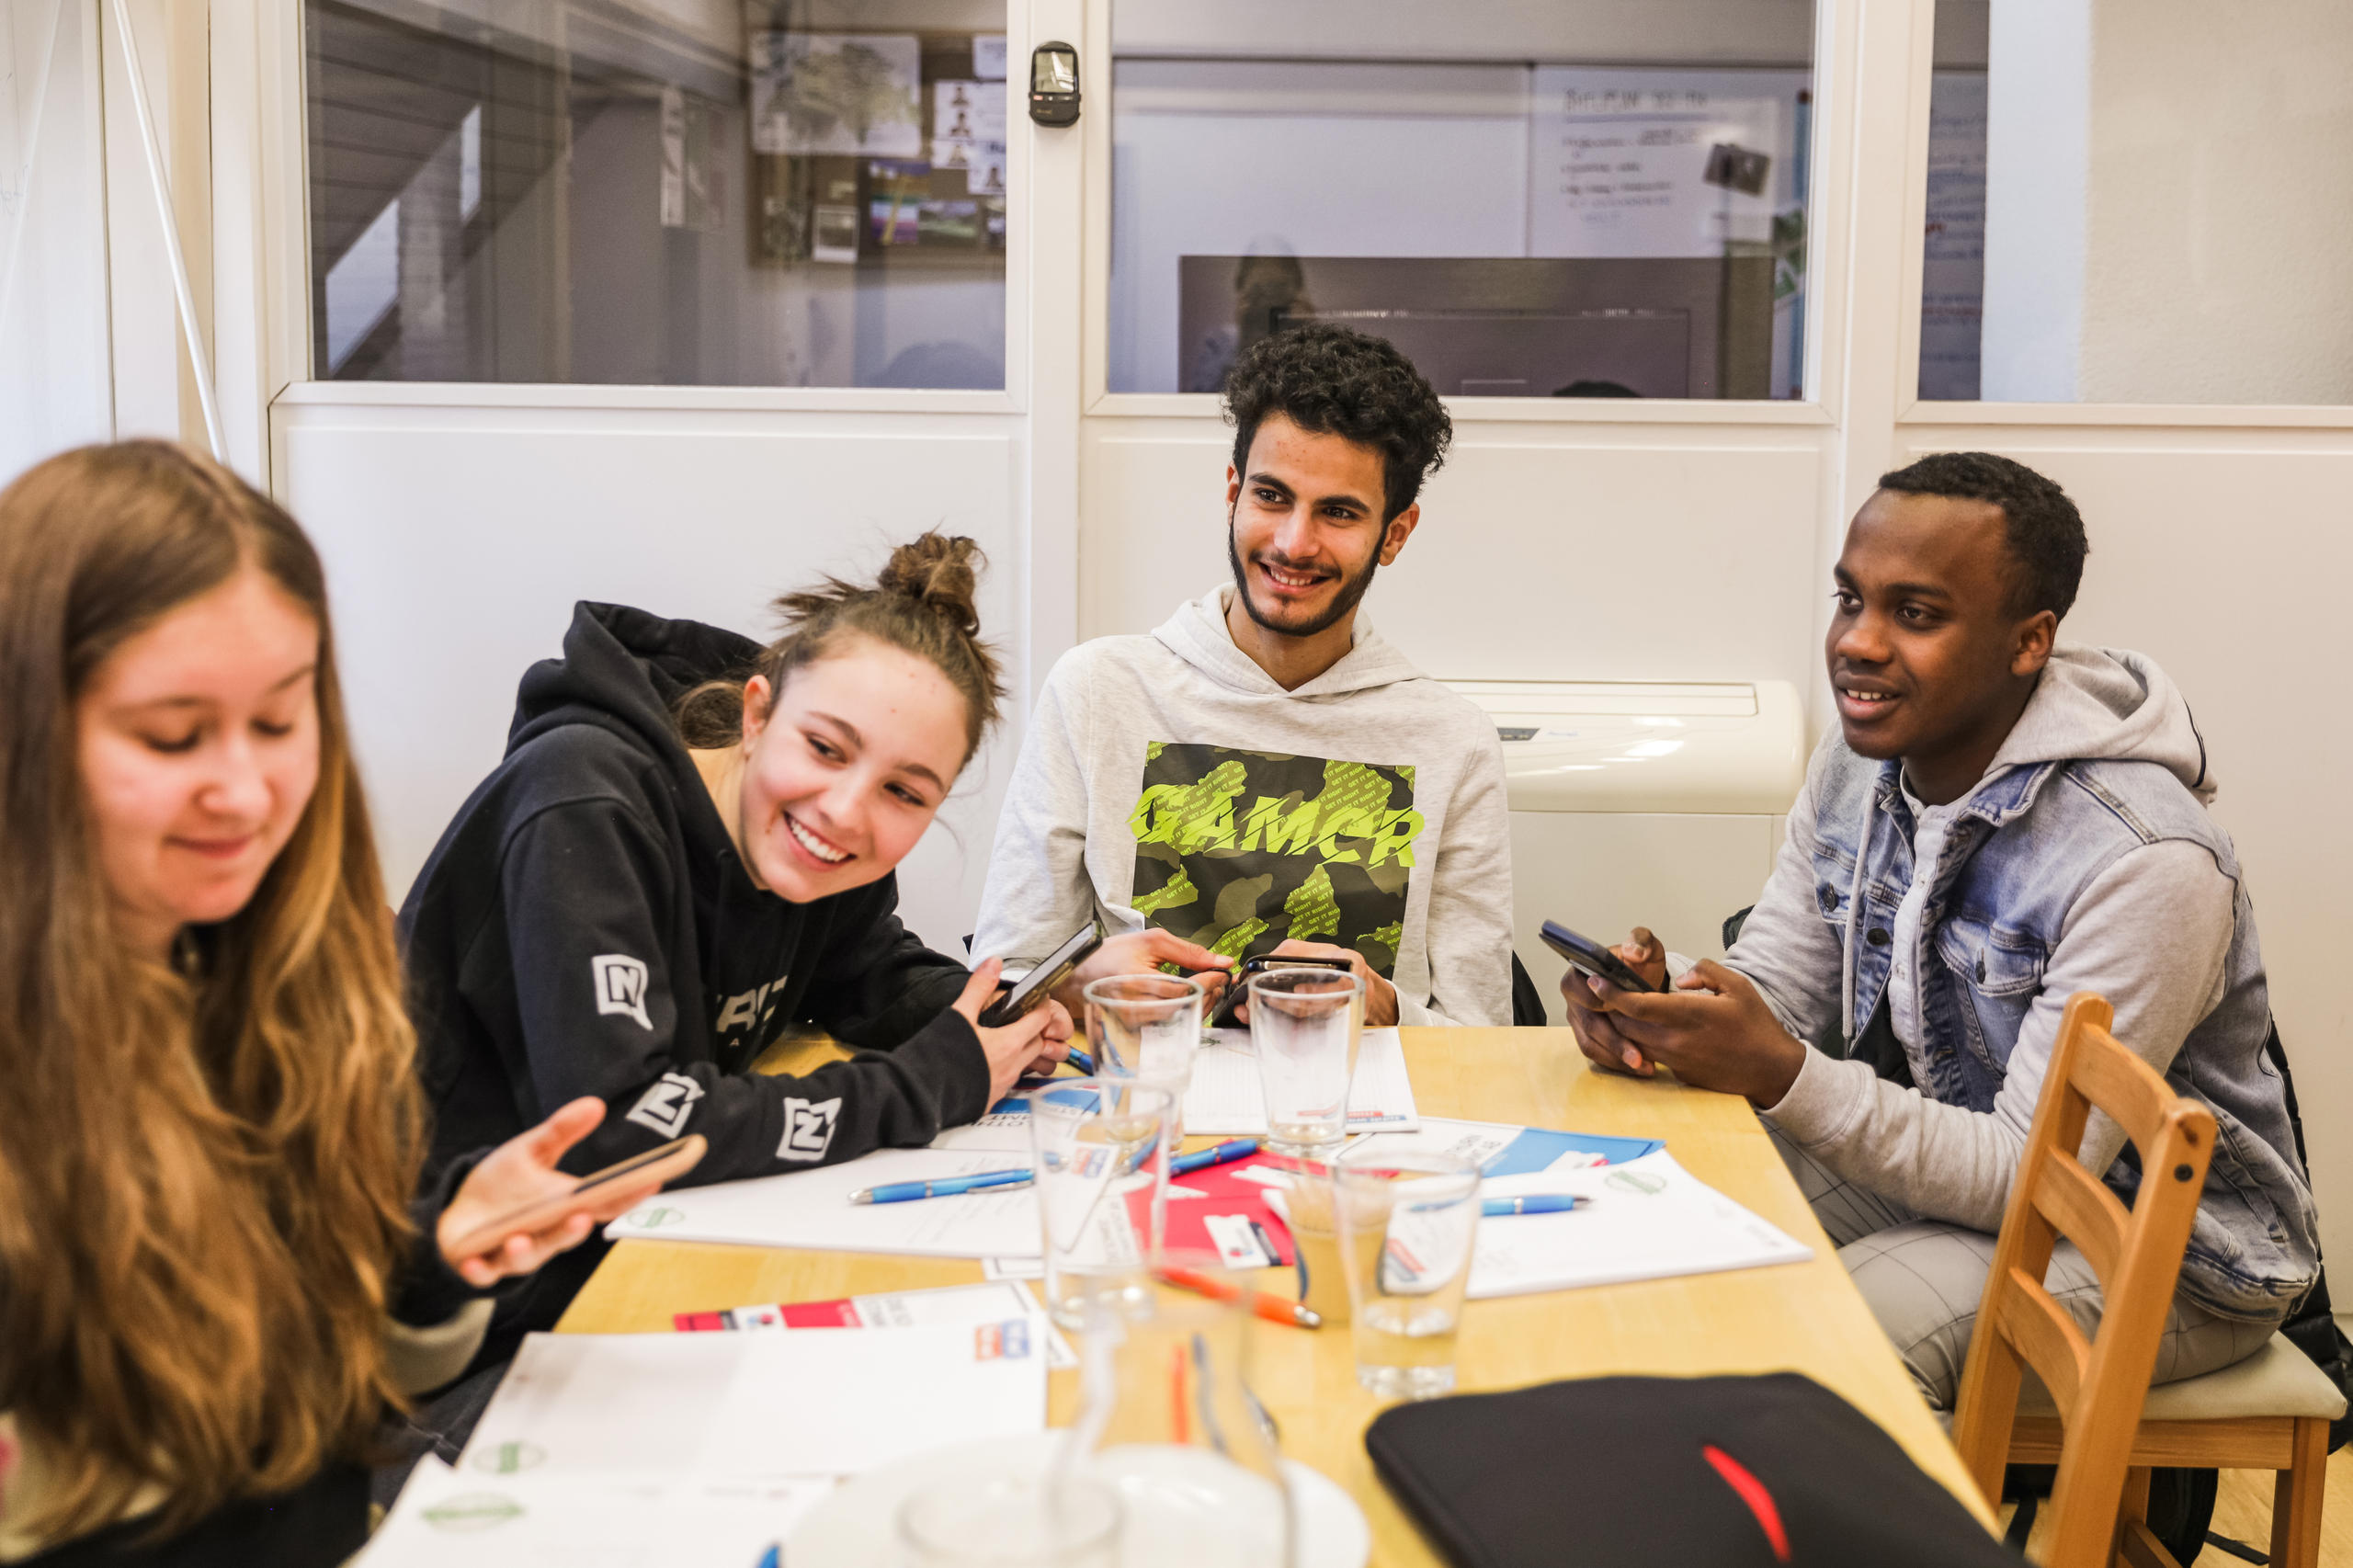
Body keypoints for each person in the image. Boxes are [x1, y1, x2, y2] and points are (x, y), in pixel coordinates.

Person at [0, 442, 667, 1566]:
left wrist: (433, 1258)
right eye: (171, 736)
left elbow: (306, 1398)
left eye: (278, 723)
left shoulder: (273, 986)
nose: (244, 790)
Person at [1560, 451, 2319, 1408]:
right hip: (1970, 1165)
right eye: (1850, 600)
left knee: (1837, 1339)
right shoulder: (1857, 762)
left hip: (2178, 1247)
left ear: (2029, 642)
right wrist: (1666, 1003)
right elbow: (1780, 992)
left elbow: (2025, 1172)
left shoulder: (2147, 857)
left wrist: (1777, 1070)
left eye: (1914, 614)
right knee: (1637, 1205)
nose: (1858, 642)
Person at [400, 534, 1068, 1356]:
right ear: (757, 714)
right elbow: (620, 1127)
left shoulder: (811, 850)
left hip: (635, 1254)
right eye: (825, 748)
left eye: (903, 791)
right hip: (449, 1325)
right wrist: (931, 1083)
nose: (845, 811)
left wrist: (1010, 1007)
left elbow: (867, 970)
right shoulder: (585, 802)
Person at [975, 323, 1515, 1028]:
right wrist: (1078, 989)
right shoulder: (1098, 690)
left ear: (1395, 534)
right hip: (1144, 1081)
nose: (1294, 543)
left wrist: (1384, 1005)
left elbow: (1480, 1037)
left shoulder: (1454, 741)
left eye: (1339, 513)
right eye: (1272, 497)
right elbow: (1003, 984)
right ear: (1233, 493)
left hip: (1357, 1091)